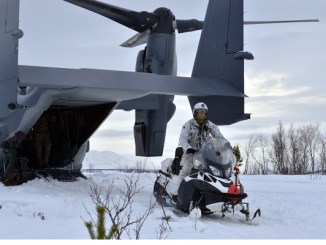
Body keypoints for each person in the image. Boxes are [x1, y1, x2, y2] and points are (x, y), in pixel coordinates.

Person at [166, 102, 229, 196]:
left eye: (203, 112)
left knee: (212, 173)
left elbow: (218, 135)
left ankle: (212, 194)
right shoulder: (188, 124)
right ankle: (178, 194)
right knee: (186, 170)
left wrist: (226, 144)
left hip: (205, 154)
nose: (201, 114)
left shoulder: (209, 125)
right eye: (199, 112)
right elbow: (182, 139)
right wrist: (188, 148)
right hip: (190, 153)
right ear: (195, 113)